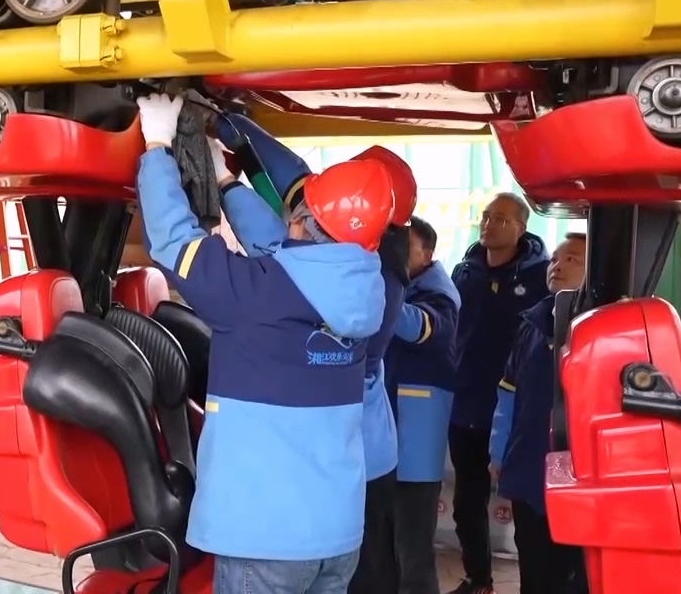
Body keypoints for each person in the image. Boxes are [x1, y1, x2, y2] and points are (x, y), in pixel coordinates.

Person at [136, 92, 393, 594]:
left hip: (267, 538)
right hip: (337, 534)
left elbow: (173, 241)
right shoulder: (363, 292)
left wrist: (157, 144)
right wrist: (225, 181)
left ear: (300, 221)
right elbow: (281, 248)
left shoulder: (256, 293)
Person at [214, 113, 412, 593]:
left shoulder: (353, 278)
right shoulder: (370, 258)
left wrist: (224, 182)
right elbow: (298, 179)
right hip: (361, 456)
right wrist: (238, 125)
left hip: (346, 462)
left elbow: (270, 239)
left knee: (367, 580)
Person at [448, 193, 549, 594]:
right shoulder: (465, 271)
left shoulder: (540, 277)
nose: (489, 224)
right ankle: (479, 581)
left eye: (501, 219)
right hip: (466, 406)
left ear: (521, 228)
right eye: (487, 217)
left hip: (515, 414)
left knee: (528, 515)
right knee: (466, 504)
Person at [489, 233, 588, 594]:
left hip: (580, 475)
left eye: (572, 259)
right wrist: (498, 451)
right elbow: (508, 391)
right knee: (533, 564)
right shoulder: (532, 324)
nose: (557, 266)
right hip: (529, 466)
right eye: (555, 259)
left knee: (573, 573)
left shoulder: (604, 328)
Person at [384, 216, 461, 594]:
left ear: (427, 255)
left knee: (412, 549)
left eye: (404, 246)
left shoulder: (439, 294)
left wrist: (376, 290)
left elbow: (419, 329)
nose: (393, 254)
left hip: (415, 446)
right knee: (381, 548)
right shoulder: (403, 286)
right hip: (388, 442)